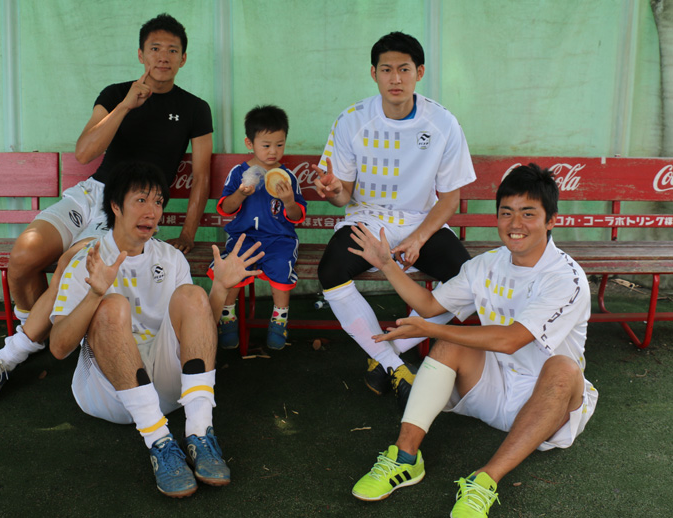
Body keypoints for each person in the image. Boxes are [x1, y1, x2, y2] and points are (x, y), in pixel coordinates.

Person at [0, 13, 212, 402]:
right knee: (23, 256)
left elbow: (202, 175)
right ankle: (39, 333)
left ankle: (11, 355)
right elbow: (84, 152)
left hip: (129, 207)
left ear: (183, 58)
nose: (163, 57)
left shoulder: (195, 108)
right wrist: (126, 106)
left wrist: (188, 232)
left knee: (70, 264)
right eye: (155, 49)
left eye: (172, 50)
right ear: (141, 54)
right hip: (91, 193)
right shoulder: (116, 94)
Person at [347, 164, 598, 517]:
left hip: (548, 408)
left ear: (551, 221)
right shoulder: (486, 265)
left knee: (564, 369)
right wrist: (387, 264)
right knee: (453, 343)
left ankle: (484, 481)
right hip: (492, 388)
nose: (515, 223)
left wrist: (430, 329)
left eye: (528, 213)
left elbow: (511, 340)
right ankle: (405, 458)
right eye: (506, 213)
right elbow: (430, 306)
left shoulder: (565, 278)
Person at [47, 161, 263, 498]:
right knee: (111, 305)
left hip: (168, 391)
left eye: (158, 202)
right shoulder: (87, 261)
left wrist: (220, 288)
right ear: (115, 205)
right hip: (108, 394)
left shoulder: (171, 258)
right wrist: (94, 295)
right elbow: (59, 348)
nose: (152, 212)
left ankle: (200, 432)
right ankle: (159, 441)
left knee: (193, 295)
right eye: (141, 200)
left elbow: (198, 334)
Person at [311, 32, 475, 409]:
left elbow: (450, 198)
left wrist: (418, 238)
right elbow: (343, 196)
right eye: (386, 69)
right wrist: (333, 190)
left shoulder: (443, 123)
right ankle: (395, 366)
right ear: (374, 73)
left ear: (419, 72)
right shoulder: (352, 120)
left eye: (404, 69)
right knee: (331, 270)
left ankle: (386, 355)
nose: (395, 78)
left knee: (465, 282)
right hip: (368, 218)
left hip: (422, 220)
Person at [207, 105, 306, 350]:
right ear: (249, 143)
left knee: (281, 267)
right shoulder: (239, 173)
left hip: (279, 239)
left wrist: (289, 201)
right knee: (233, 265)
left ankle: (279, 319)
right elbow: (226, 208)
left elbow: (297, 217)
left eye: (279, 144)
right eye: (266, 145)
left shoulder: (287, 177)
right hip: (244, 238)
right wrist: (241, 193)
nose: (273, 151)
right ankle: (227, 316)